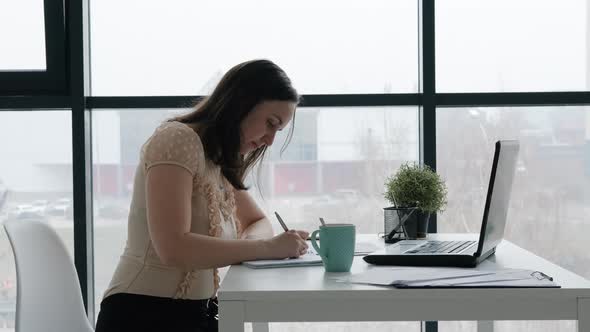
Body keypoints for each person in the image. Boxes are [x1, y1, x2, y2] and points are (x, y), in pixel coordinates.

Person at [95, 59, 309, 332]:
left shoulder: (217, 161)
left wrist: (260, 246)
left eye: (277, 131)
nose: (269, 141)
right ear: (242, 102)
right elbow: (173, 248)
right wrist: (266, 248)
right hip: (142, 314)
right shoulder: (177, 140)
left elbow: (258, 221)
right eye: (270, 123)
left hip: (198, 315)